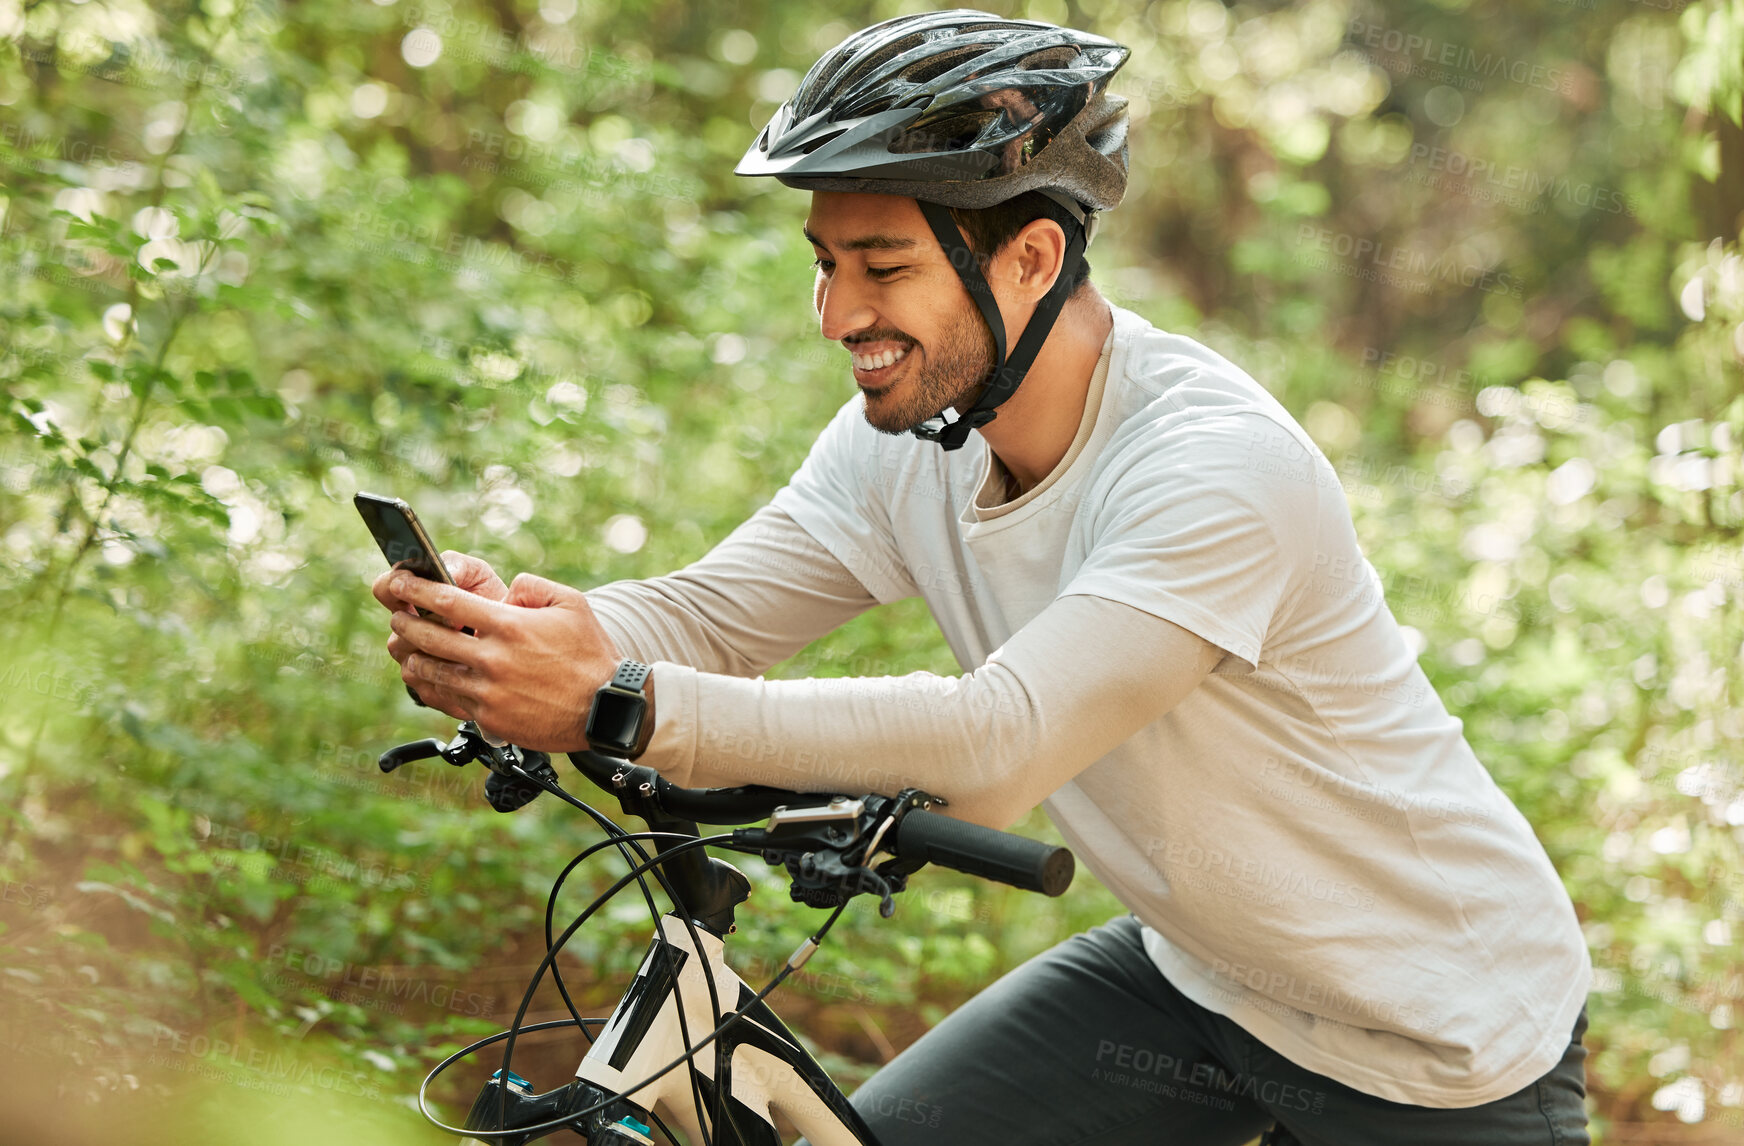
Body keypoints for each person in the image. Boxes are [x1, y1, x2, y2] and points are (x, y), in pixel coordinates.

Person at [372, 10, 1593, 1144]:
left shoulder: (1215, 469)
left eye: (882, 265)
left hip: (1444, 1033)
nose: (835, 312)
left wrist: (615, 701)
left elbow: (996, 745)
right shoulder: (904, 441)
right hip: (1200, 980)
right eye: (825, 261)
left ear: (1029, 256)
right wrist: (523, 634)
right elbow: (704, 618)